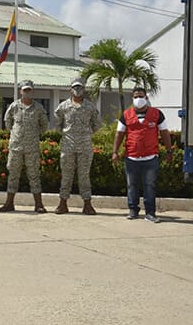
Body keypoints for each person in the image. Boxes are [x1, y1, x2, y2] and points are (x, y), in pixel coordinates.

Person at [112, 88, 173, 223]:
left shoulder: (157, 114)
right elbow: (119, 134)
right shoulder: (126, 115)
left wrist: (169, 151)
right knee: (131, 185)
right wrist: (115, 152)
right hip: (131, 158)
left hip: (150, 158)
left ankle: (150, 213)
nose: (138, 99)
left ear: (146, 98)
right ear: (132, 98)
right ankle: (133, 210)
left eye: (141, 96)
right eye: (135, 97)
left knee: (149, 186)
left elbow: (164, 133)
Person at [0, 80, 49, 213]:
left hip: (32, 149)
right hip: (16, 147)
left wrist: (34, 135)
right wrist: (16, 134)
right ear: (20, 91)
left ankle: (38, 204)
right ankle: (9, 203)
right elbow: (7, 122)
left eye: (29, 90)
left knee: (34, 176)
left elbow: (44, 126)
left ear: (33, 91)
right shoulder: (14, 106)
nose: (27, 92)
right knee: (13, 175)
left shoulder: (38, 108)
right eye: (25, 90)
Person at [54, 77, 100, 214]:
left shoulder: (90, 107)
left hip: (85, 147)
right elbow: (57, 124)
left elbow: (96, 125)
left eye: (80, 87)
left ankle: (87, 204)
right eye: (75, 87)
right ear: (70, 89)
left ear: (84, 89)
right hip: (68, 146)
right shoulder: (63, 107)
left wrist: (85, 135)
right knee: (66, 176)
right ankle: (62, 204)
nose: (77, 90)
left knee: (84, 176)